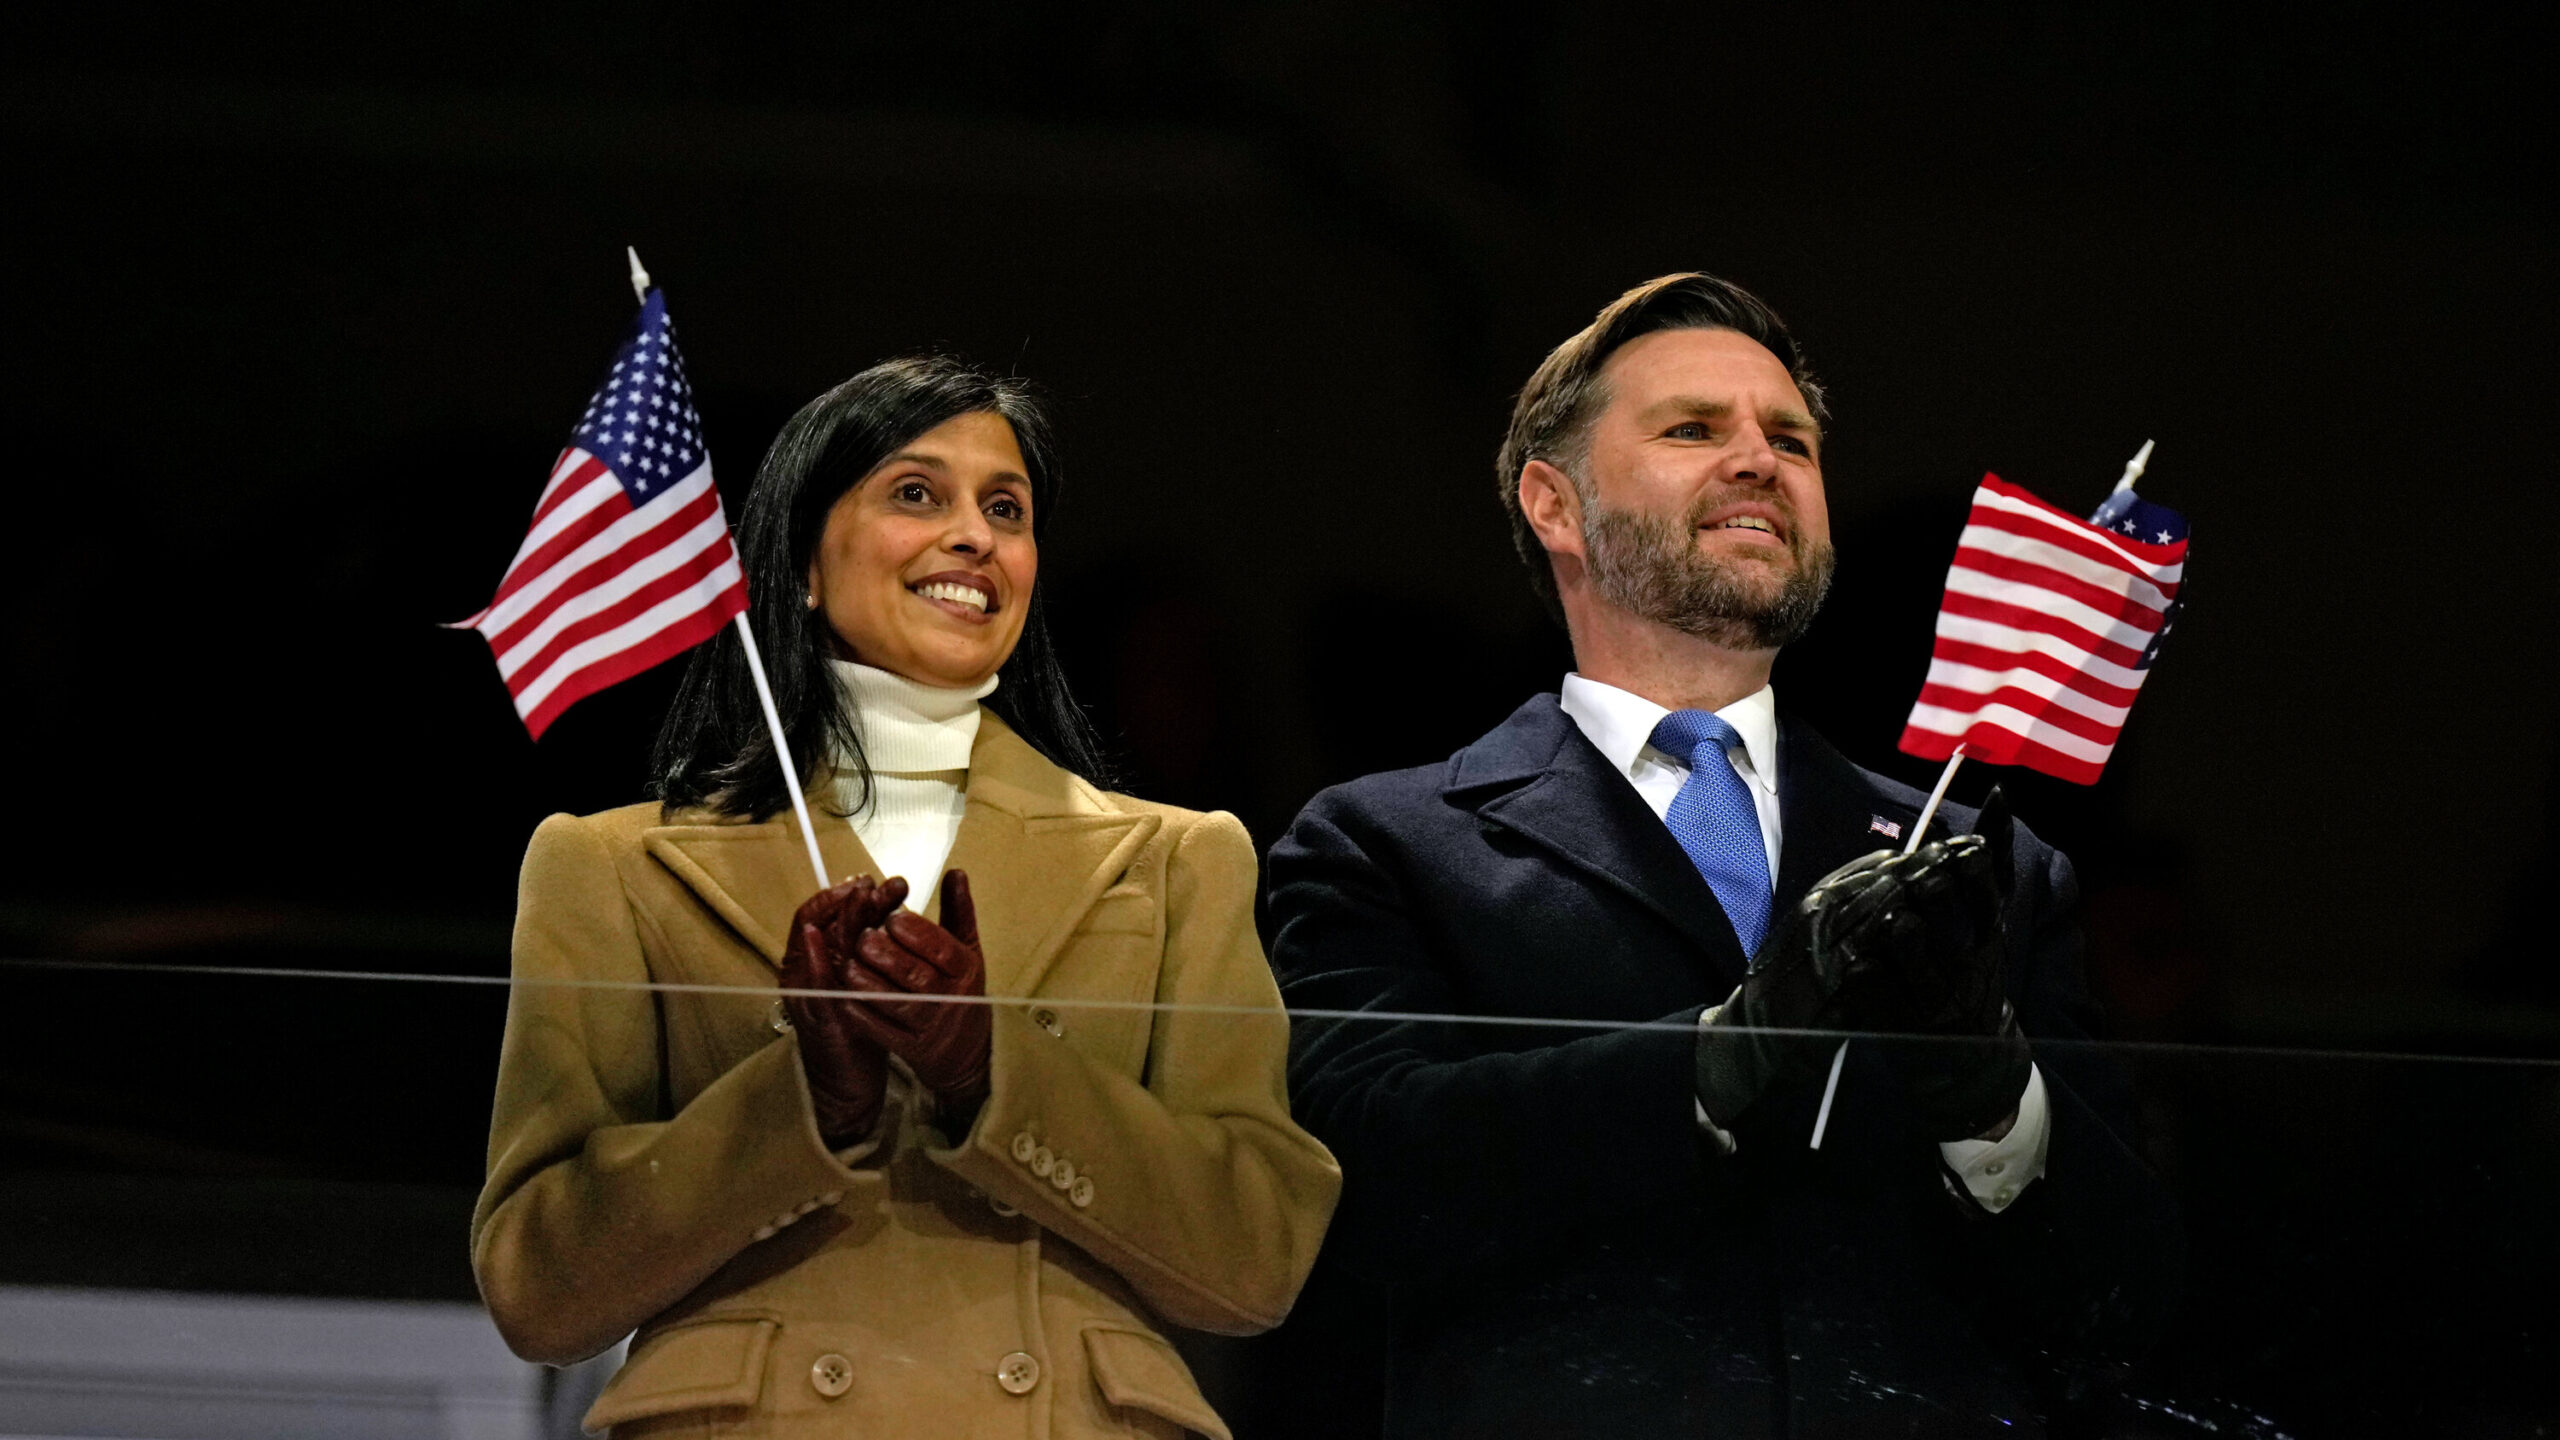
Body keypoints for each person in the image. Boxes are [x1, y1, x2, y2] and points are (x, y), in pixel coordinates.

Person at [1267, 274, 2182, 1437]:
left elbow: (2129, 1301)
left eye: (1790, 440)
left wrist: (1992, 1095)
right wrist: (1717, 1058)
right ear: (1555, 505)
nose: (1760, 460)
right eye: (1694, 428)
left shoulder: (1985, 867)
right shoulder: (1382, 846)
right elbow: (1353, 1200)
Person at [471, 356, 1341, 1439]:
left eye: (1006, 508)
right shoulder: (609, 865)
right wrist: (807, 1103)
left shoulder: (1178, 861)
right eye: (916, 493)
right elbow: (538, 1288)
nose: (974, 534)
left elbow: (1253, 1261)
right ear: (799, 565)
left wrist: (992, 1075)